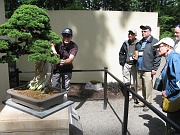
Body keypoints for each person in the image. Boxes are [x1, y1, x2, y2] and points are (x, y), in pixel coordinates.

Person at [153, 37, 180, 135]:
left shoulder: (175, 58)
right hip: (173, 99)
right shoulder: (169, 58)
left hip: (176, 99)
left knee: (174, 128)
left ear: (168, 47)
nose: (158, 49)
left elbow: (178, 82)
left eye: (160, 46)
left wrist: (167, 92)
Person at [134, 25, 161, 111]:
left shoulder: (154, 42)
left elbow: (157, 56)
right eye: (142, 31)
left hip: (148, 69)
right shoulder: (139, 42)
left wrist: (155, 68)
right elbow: (137, 53)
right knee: (139, 86)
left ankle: (148, 103)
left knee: (148, 87)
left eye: (145, 31)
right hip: (139, 68)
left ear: (150, 32)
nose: (143, 33)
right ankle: (141, 101)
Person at [119, 29, 139, 100]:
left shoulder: (139, 43)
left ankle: (137, 96)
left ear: (135, 35)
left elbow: (142, 53)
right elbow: (121, 52)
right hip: (126, 64)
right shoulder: (125, 43)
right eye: (129, 33)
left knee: (136, 81)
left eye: (132, 34)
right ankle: (129, 95)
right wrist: (122, 62)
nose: (130, 35)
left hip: (134, 64)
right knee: (126, 80)